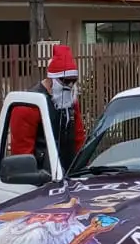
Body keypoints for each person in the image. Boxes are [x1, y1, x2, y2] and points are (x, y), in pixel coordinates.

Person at [8, 43, 86, 173]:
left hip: (70, 176)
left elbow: (79, 139)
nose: (70, 86)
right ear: (52, 79)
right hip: (41, 178)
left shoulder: (71, 102)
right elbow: (22, 153)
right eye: (66, 81)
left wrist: (83, 168)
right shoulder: (29, 106)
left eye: (74, 81)